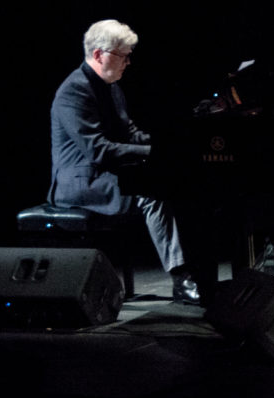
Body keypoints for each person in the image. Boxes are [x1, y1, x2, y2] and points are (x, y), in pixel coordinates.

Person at [49, 19, 201, 304]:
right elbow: (98, 150)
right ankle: (182, 279)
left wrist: (167, 146)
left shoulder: (110, 86)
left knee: (180, 184)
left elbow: (129, 133)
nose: (129, 62)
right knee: (152, 193)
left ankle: (200, 269)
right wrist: (154, 154)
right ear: (98, 55)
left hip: (107, 175)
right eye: (124, 55)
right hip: (82, 182)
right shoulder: (73, 92)